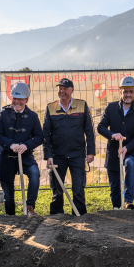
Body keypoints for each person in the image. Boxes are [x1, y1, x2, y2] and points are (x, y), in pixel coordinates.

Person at [43, 78, 95, 216]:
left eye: (65, 88)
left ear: (72, 90)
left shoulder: (82, 105)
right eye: (60, 88)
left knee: (78, 189)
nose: (62, 91)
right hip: (57, 155)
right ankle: (56, 217)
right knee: (57, 190)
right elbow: (45, 134)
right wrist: (48, 155)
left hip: (77, 154)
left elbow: (89, 130)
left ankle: (80, 217)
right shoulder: (50, 108)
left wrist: (90, 152)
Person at [97, 76, 134, 210]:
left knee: (130, 163)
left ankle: (128, 200)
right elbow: (101, 127)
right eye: (125, 91)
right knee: (114, 186)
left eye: (131, 91)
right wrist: (112, 135)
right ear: (120, 91)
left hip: (131, 150)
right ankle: (117, 209)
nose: (128, 94)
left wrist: (127, 148)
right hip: (113, 152)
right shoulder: (111, 107)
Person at [0, 82, 44, 216]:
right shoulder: (3, 114)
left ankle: (30, 208)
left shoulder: (33, 116)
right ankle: (11, 218)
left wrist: (27, 145)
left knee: (34, 174)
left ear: (26, 99)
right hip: (6, 156)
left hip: (25, 155)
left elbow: (40, 136)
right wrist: (10, 144)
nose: (17, 102)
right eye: (14, 99)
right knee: (8, 194)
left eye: (20, 99)